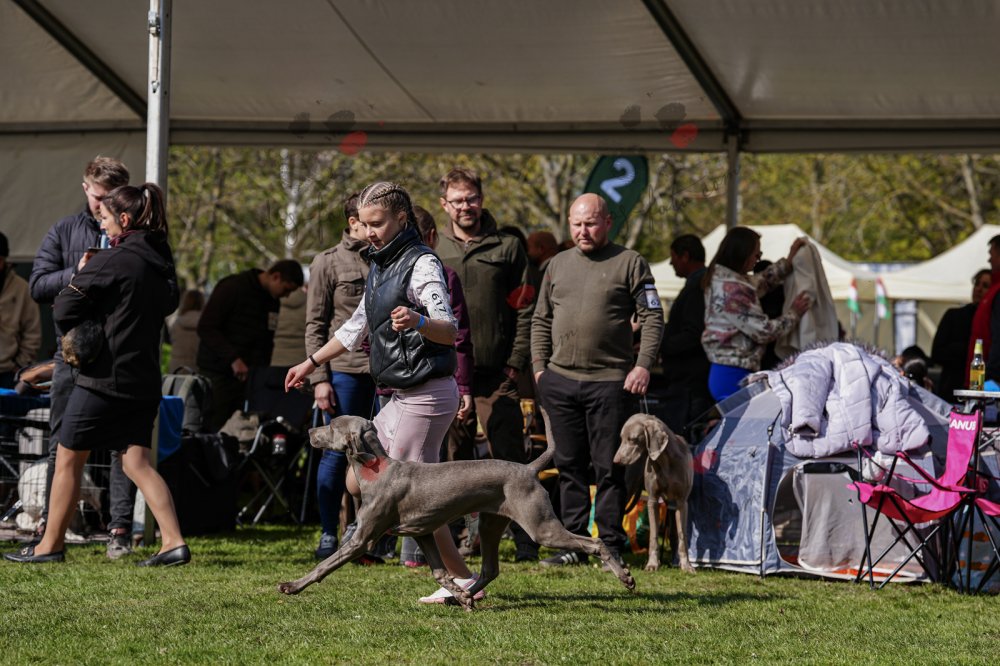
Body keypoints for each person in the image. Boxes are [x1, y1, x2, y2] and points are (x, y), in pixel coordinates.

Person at [285, 181, 477, 604]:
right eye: (363, 224)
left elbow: (449, 330)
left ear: (401, 219)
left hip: (425, 395)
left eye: (376, 223)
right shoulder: (381, 264)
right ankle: (457, 574)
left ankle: (461, 580)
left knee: (416, 498)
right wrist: (311, 363)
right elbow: (355, 327)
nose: (368, 232)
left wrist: (419, 321)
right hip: (401, 397)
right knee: (358, 481)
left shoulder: (421, 264)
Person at [5, 183, 189, 566]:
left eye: (104, 218)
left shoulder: (114, 259)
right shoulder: (160, 263)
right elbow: (164, 304)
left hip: (104, 381)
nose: (101, 225)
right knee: (136, 463)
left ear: (124, 219)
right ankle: (173, 542)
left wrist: (88, 282)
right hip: (143, 380)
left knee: (68, 456)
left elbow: (63, 308)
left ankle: (49, 546)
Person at [531, 193, 664, 566]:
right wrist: (540, 367)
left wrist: (643, 365)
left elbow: (653, 316)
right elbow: (540, 318)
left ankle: (609, 545)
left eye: (590, 223)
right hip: (560, 381)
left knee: (609, 467)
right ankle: (573, 546)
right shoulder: (556, 265)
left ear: (607, 222)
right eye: (576, 224)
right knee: (569, 464)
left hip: (611, 382)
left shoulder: (630, 262)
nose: (583, 231)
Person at [29, 156, 136, 559]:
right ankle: (52, 525)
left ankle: (119, 529)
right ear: (85, 188)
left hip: (119, 354)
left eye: (111, 197)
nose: (103, 204)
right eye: (97, 196)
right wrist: (76, 271)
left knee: (124, 447)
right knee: (62, 441)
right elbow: (38, 286)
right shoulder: (65, 230)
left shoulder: (135, 237)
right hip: (72, 353)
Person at [435, 167, 538, 561]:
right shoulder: (434, 249)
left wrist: (515, 363)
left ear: (481, 199)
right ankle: (460, 539)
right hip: (449, 373)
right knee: (453, 463)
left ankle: (527, 540)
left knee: (509, 459)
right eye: (457, 200)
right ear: (444, 204)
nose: (466, 206)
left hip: (498, 374)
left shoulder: (508, 248)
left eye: (472, 198)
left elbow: (525, 309)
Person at [305, 192, 377, 560]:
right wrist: (320, 379)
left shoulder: (387, 258)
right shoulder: (327, 262)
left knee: (378, 455)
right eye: (368, 222)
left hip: (384, 373)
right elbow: (315, 325)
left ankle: (367, 534)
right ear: (353, 223)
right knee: (335, 457)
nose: (374, 228)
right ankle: (327, 533)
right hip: (345, 374)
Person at [701, 227, 811, 401]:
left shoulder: (722, 279)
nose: (757, 260)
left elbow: (761, 282)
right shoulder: (733, 290)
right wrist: (794, 314)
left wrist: (788, 261)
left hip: (725, 371)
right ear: (742, 254)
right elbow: (764, 331)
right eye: (756, 255)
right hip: (734, 374)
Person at [197, 259, 304, 431]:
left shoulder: (271, 300)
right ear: (276, 277)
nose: (286, 296)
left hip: (250, 376)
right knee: (213, 425)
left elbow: (267, 337)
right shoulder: (232, 287)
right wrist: (233, 359)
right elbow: (206, 327)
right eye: (286, 289)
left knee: (240, 428)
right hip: (218, 373)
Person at [658, 234, 712, 436]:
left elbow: (693, 334)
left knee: (684, 439)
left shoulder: (697, 288)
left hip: (689, 381)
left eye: (673, 257)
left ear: (685, 256)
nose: (671, 263)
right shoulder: (699, 284)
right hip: (691, 380)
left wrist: (661, 344)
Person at [932, 268, 990, 400]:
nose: (979, 289)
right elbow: (937, 353)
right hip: (952, 390)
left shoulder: (992, 321)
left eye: (985, 286)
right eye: (977, 284)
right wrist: (963, 349)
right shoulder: (954, 315)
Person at [0, 231, 42, 388]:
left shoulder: (21, 288)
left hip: (8, 372)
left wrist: (20, 365)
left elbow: (32, 332)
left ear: (4, 260)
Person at [168, 289, 204, 373]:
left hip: (177, 368)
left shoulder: (175, 323)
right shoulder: (206, 324)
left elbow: (169, 341)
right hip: (198, 367)